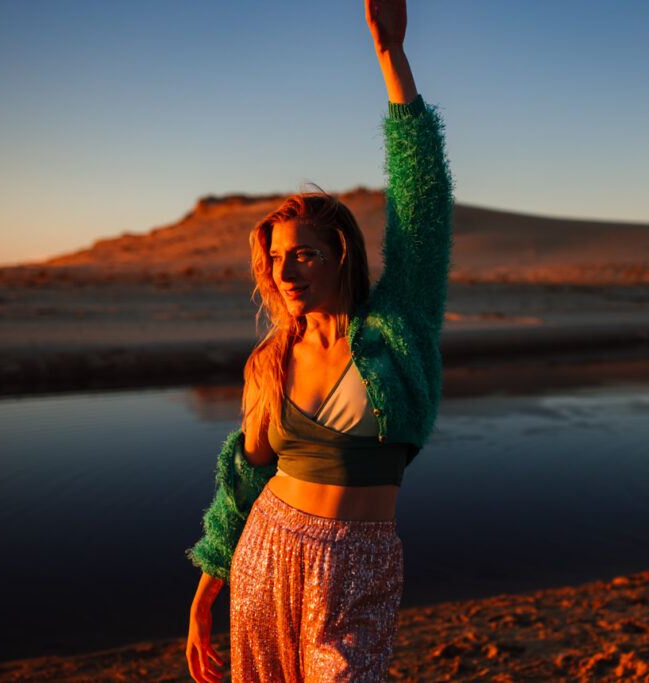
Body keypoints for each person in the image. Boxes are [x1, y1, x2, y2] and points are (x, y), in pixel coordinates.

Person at [185, 0, 452, 680]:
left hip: (362, 561)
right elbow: (242, 478)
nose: (286, 268)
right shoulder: (270, 361)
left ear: (341, 254)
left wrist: (393, 61)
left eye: (303, 253)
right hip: (266, 552)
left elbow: (422, 205)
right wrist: (203, 595)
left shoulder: (398, 327)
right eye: (276, 257)